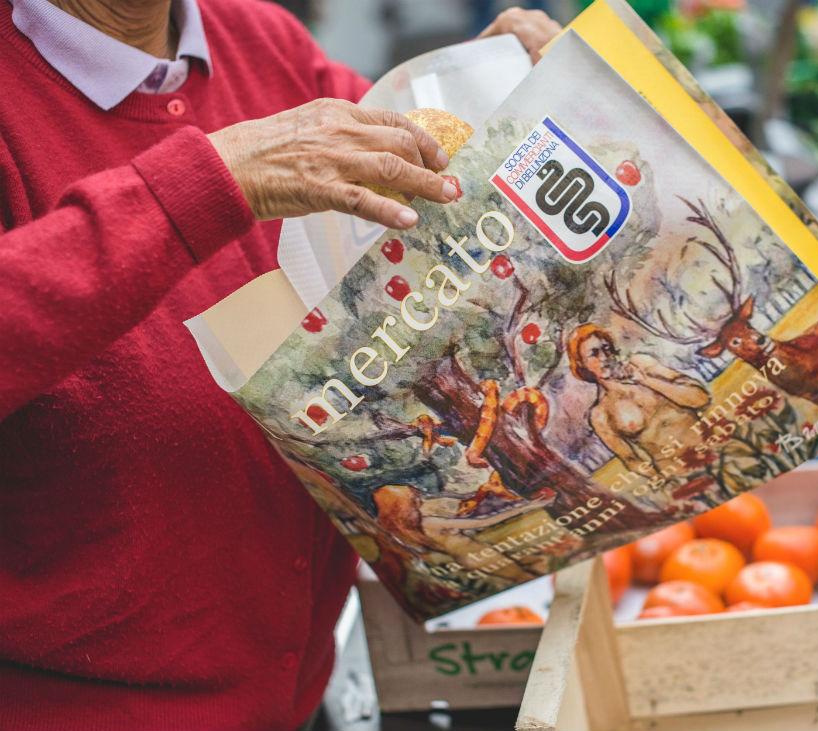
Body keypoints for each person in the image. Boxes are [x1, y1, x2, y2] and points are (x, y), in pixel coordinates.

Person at [0, 1, 560, 729]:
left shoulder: (260, 39)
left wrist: (488, 92)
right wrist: (207, 182)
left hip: (297, 690)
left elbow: (412, 164)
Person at [567, 323, 711, 476]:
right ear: (582, 364)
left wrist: (645, 380)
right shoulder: (600, 414)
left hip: (714, 444)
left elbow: (700, 399)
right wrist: (661, 480)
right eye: (594, 353)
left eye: (606, 348)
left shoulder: (644, 365)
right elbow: (631, 460)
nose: (604, 357)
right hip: (679, 472)